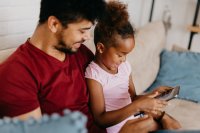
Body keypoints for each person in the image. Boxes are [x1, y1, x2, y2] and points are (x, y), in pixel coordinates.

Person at [0, 0, 107, 132]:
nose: (88, 37)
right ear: (54, 24)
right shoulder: (15, 75)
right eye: (82, 30)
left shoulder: (81, 53)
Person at [85, 1, 181, 133]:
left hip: (133, 115)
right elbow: (100, 119)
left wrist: (153, 94)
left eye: (126, 55)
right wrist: (136, 106)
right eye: (120, 55)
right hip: (116, 126)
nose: (124, 59)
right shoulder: (94, 74)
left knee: (173, 123)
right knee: (150, 123)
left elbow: (133, 97)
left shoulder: (124, 66)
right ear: (101, 47)